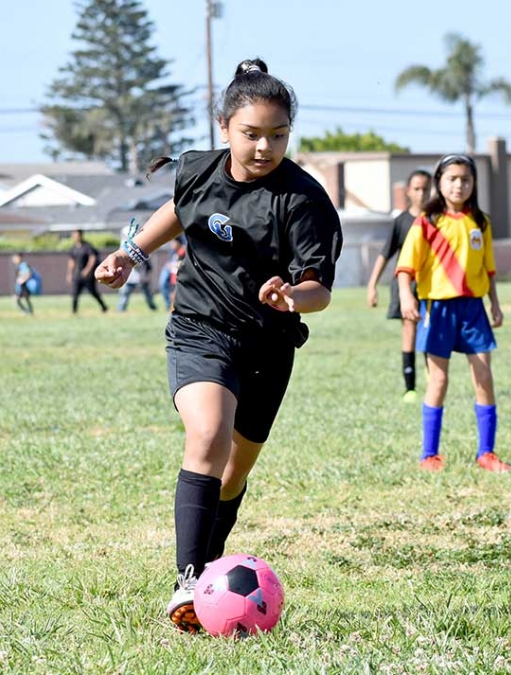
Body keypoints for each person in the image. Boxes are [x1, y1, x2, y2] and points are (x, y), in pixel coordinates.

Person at [94, 58, 343, 633]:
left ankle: (208, 576)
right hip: (200, 328)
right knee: (207, 434)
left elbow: (320, 291)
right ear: (225, 127)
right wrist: (130, 256)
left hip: (269, 345)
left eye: (277, 136)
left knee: (232, 474)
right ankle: (189, 582)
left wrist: (291, 297)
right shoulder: (198, 171)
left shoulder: (303, 200)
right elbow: (177, 213)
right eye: (251, 134)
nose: (264, 147)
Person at [395, 154, 511, 473]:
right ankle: (429, 454)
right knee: (439, 379)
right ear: (439, 183)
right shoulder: (427, 222)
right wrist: (407, 297)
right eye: (452, 179)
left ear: (474, 184)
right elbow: (405, 268)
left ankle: (486, 453)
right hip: (439, 308)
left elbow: (488, 271)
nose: (459, 185)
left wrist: (495, 304)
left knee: (484, 376)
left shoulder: (481, 222)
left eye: (466, 179)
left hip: (473, 309)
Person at [366, 170, 432, 403]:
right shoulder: (401, 221)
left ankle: (432, 374)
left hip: (432, 287)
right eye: (417, 188)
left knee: (430, 331)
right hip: (406, 287)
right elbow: (385, 255)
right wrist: (372, 285)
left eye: (425, 188)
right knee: (409, 331)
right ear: (408, 192)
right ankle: (410, 386)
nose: (422, 193)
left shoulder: (437, 219)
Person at [116, 225, 158, 312]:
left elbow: (145, 257)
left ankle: (153, 307)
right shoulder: (124, 244)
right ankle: (121, 309)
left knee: (147, 294)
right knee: (124, 294)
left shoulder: (139, 243)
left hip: (140, 275)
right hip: (129, 276)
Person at [67, 229, 108, 314]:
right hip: (77, 275)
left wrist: (87, 270)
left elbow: (92, 258)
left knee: (93, 292)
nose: (76, 237)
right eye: (74, 235)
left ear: (81, 235)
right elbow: (71, 261)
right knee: (75, 293)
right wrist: (69, 273)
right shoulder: (73, 248)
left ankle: (104, 307)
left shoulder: (87, 247)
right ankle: (74, 311)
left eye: (77, 235)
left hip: (88, 276)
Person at [158, 237, 185, 310]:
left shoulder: (182, 251)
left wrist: (173, 265)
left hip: (180, 277)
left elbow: (184, 263)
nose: (172, 244)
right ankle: (171, 307)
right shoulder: (173, 252)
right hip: (173, 276)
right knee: (172, 293)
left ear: (178, 243)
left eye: (174, 242)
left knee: (177, 294)